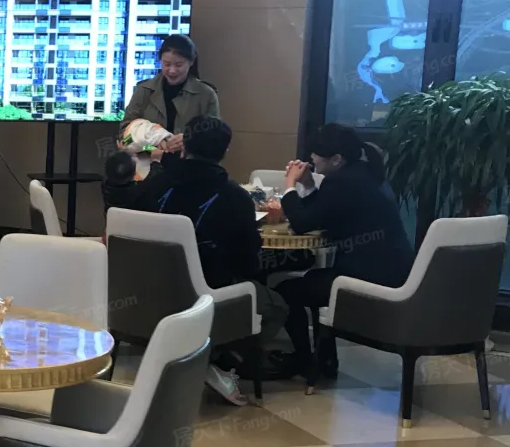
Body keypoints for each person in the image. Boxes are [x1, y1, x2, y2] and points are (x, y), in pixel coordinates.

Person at [133, 116, 286, 405]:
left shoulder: (152, 185)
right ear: (225, 151)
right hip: (206, 296)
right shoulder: (235, 197)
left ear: (184, 147)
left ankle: (195, 356)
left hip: (144, 293)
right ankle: (217, 362)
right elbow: (247, 263)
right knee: (276, 305)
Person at [271, 123, 415, 388]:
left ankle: (305, 360)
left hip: (369, 280)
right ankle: (324, 361)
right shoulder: (362, 174)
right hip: (390, 272)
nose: (311, 158)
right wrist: (308, 184)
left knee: (286, 291)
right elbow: (321, 214)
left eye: (317, 154)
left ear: (336, 159)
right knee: (312, 279)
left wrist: (290, 185)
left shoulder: (343, 182)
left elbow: (302, 223)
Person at [121, 35, 220, 156]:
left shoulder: (206, 95)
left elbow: (216, 140)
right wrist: (151, 143)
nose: (172, 70)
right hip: (147, 163)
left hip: (189, 164)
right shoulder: (144, 90)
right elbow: (124, 135)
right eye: (167, 64)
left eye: (179, 65)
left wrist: (190, 142)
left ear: (191, 62)